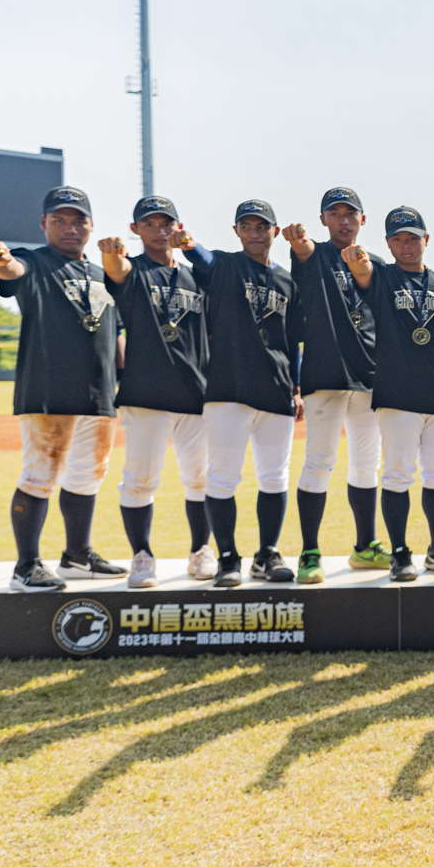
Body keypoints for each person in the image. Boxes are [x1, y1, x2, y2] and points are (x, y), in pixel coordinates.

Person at [0, 185, 123, 591]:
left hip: (100, 393)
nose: (69, 227)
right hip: (48, 391)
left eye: (78, 220)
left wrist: (123, 384)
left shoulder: (101, 274)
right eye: (59, 220)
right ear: (44, 224)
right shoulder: (34, 262)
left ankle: (77, 556)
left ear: (91, 225)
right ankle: (26, 566)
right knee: (40, 474)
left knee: (87, 476)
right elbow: (11, 272)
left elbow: (116, 333)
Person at [344, 206, 434, 581]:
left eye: (413, 237)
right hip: (397, 398)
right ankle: (401, 553)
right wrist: (356, 258)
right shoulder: (383, 278)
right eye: (398, 238)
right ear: (388, 243)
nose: (406, 245)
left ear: (426, 240)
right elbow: (362, 272)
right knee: (398, 475)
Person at [172, 201, 301, 587]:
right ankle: (228, 557)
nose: (255, 232)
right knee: (224, 477)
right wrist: (188, 244)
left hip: (276, 389)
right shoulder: (225, 266)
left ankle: (267, 554)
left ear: (275, 232)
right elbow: (203, 258)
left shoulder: (287, 282)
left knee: (275, 477)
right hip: (228, 388)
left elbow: (292, 342)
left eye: (262, 226)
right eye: (247, 226)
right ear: (237, 231)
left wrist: (295, 387)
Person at [98, 194, 212, 588]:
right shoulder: (134, 271)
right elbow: (116, 271)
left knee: (201, 479)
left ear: (178, 228)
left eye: (167, 224)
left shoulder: (196, 275)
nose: (160, 231)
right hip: (146, 395)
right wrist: (111, 253)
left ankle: (201, 551)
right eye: (150, 224)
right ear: (136, 230)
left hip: (197, 394)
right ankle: (142, 557)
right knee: (140, 480)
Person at [283, 188, 386, 580]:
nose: (344, 220)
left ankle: (365, 546)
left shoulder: (376, 264)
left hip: (370, 377)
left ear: (363, 219)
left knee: (366, 464)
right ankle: (310, 552)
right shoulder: (316, 256)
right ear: (323, 219)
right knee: (319, 461)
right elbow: (305, 252)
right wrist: (300, 242)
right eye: (335, 213)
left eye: (351, 213)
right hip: (326, 375)